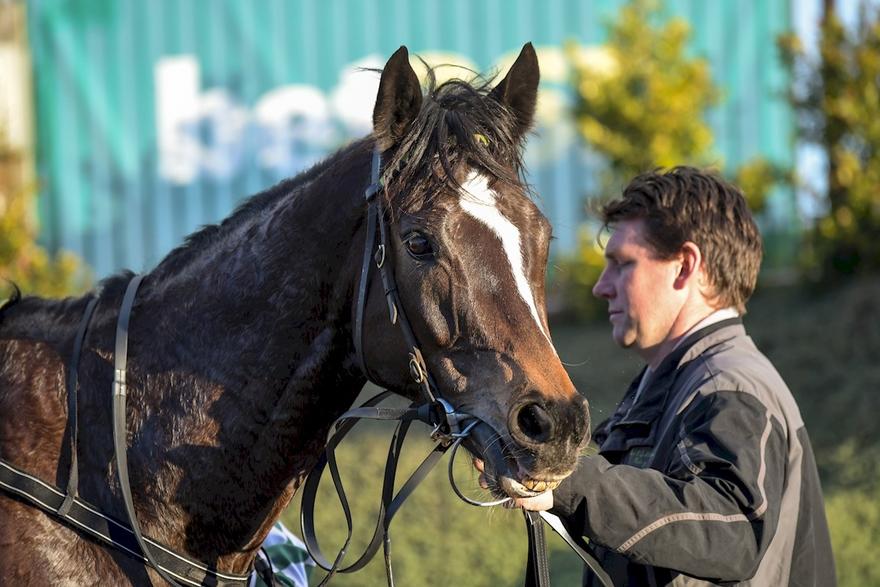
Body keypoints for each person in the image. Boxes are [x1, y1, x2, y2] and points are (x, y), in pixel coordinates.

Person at [484, 167, 835, 586]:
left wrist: (567, 481)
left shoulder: (731, 386)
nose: (601, 287)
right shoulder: (677, 378)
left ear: (685, 266)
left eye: (622, 264)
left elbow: (733, 533)